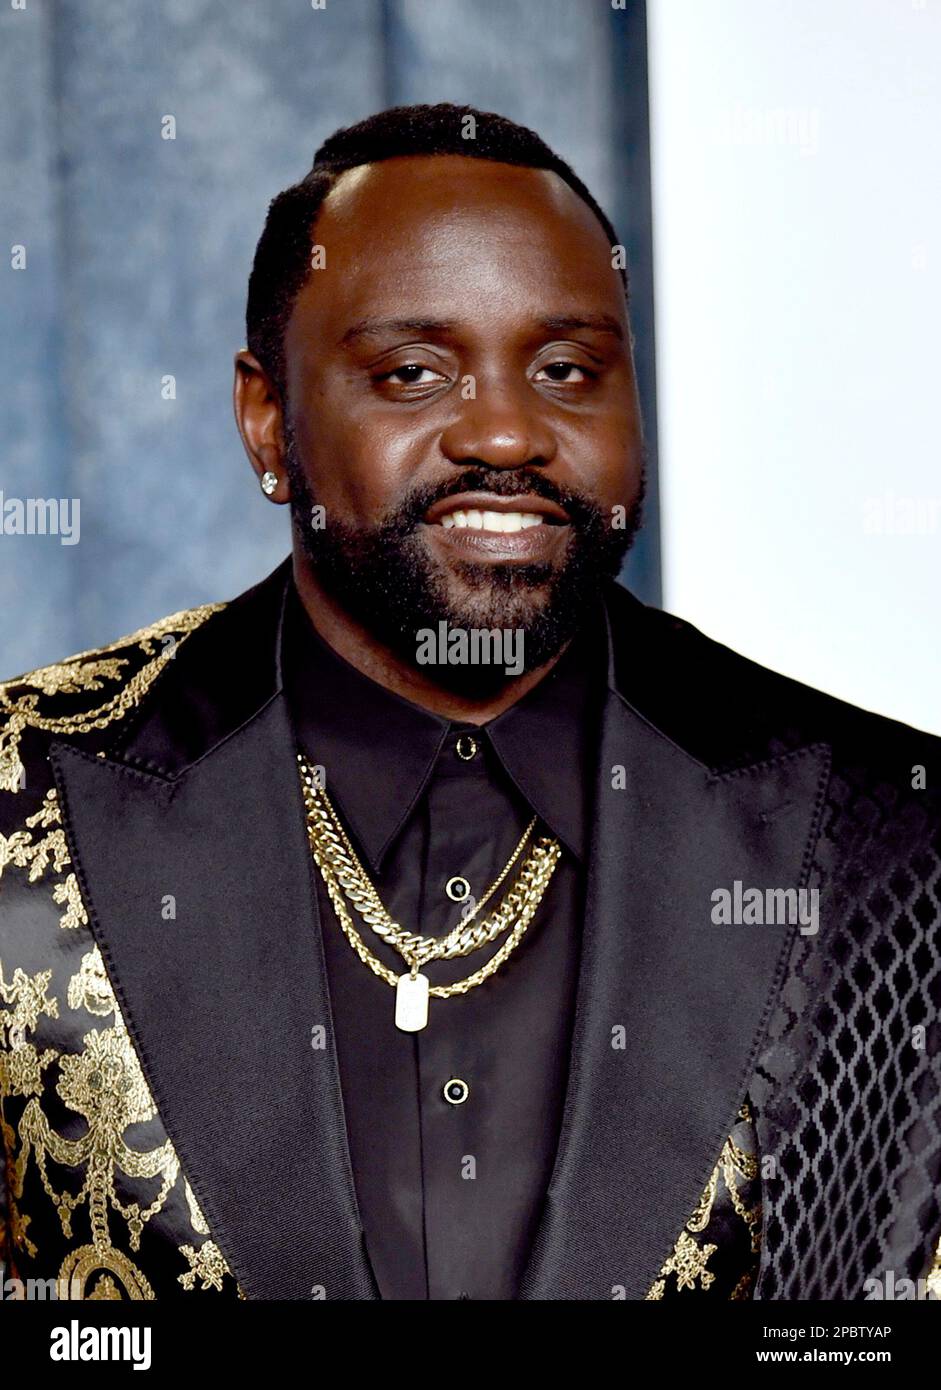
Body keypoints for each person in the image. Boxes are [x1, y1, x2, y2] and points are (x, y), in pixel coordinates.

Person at [1, 103, 939, 1303]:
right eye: (412, 372)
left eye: (565, 370)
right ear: (265, 418)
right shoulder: (26, 786)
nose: (505, 429)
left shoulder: (885, 836)